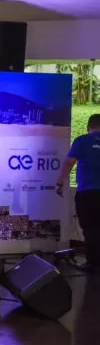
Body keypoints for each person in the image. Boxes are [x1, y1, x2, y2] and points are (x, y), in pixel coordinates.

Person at [56, 113, 100, 274]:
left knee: (90, 228)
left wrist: (60, 182)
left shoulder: (81, 141)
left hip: (88, 193)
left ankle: (93, 263)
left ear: (88, 127)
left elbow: (69, 162)